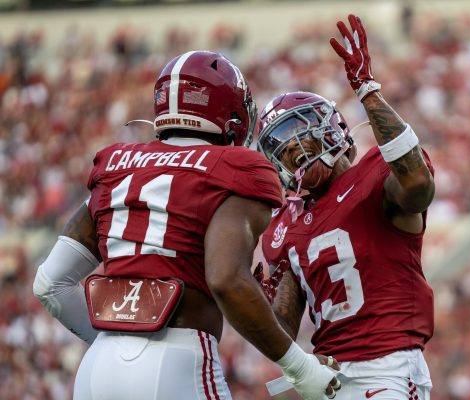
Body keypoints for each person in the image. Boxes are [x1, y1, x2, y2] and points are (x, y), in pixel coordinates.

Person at [33, 50, 341, 400]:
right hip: (177, 360)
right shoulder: (237, 166)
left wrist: (117, 343)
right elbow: (226, 279)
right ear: (232, 114)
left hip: (97, 370)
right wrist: (300, 368)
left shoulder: (116, 164)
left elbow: (49, 284)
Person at [255, 15, 436, 400]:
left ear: (331, 129)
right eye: (283, 149)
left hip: (387, 367)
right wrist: (261, 299)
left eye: (299, 136)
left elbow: (418, 186)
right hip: (328, 378)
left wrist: (369, 91)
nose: (295, 152)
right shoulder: (285, 224)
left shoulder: (373, 176)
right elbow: (282, 331)